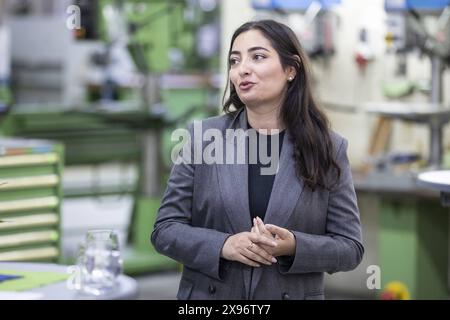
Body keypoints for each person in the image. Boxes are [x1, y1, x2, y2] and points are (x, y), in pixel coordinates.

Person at [151, 19, 364, 300]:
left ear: (291, 70)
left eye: (258, 57)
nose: (243, 69)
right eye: (234, 61)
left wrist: (295, 246)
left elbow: (350, 248)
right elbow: (165, 230)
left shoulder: (327, 147)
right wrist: (224, 245)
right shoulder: (203, 138)